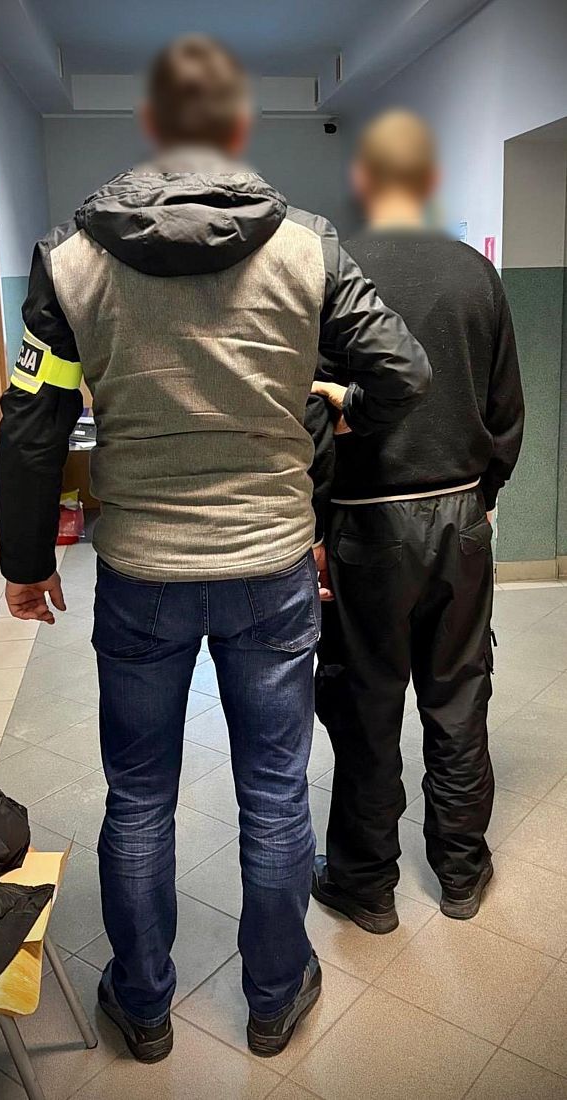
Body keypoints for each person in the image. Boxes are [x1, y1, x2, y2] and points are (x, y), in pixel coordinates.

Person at [0, 43, 430, 1061]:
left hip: (141, 571)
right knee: (274, 794)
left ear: (155, 127)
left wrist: (25, 560)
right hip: (270, 565)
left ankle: (142, 1002)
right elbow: (402, 372)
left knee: (138, 795)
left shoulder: (69, 258)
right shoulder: (311, 248)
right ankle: (274, 994)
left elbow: (33, 421)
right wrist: (334, 413)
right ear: (236, 129)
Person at [312, 110, 524, 934]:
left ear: (363, 182)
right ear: (430, 182)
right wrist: (481, 496)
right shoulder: (478, 275)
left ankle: (365, 884)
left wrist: (315, 529)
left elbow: (311, 418)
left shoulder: (334, 273)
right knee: (459, 695)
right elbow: (506, 411)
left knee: (365, 703)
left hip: (365, 526)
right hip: (461, 516)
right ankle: (461, 871)